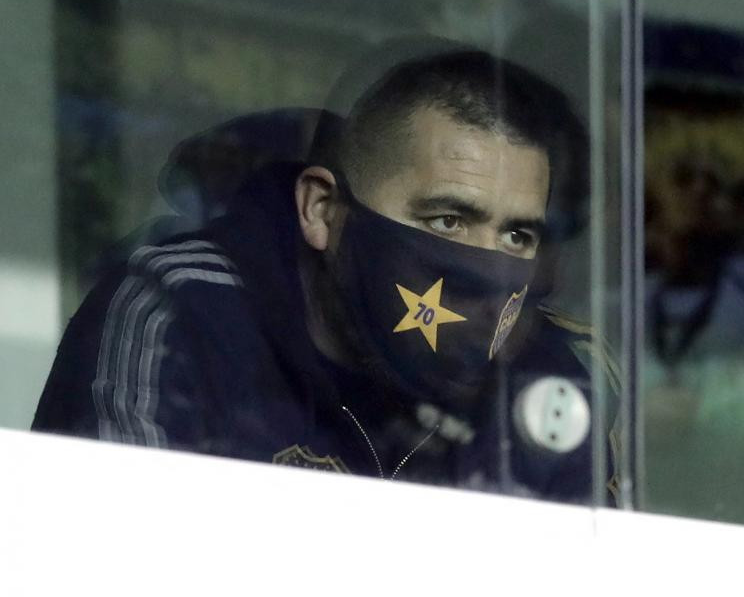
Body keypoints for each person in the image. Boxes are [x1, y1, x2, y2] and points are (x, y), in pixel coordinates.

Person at [33, 46, 605, 503]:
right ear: (322, 209)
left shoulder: (548, 384)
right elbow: (113, 555)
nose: (488, 269)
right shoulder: (188, 312)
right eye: (449, 220)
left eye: (516, 236)